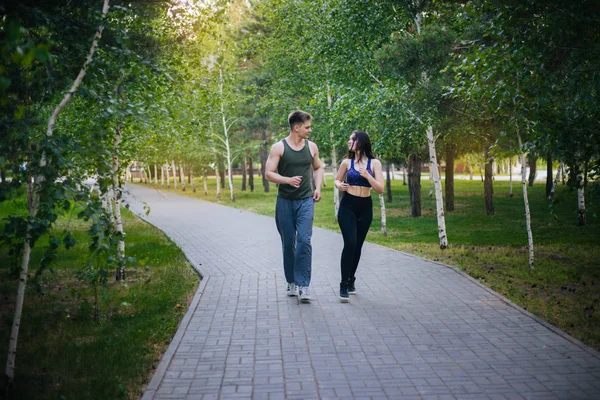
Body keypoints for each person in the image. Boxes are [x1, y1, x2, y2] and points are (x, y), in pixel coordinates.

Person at [265, 110, 324, 302]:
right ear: (296, 127)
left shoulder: (312, 147)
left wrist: (318, 187)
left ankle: (304, 286)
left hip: (306, 200)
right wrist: (287, 180)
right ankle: (291, 281)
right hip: (285, 202)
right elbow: (269, 173)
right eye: (307, 127)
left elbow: (318, 167)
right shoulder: (278, 148)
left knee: (304, 241)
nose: (310, 130)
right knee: (288, 243)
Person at [334, 130, 384, 303]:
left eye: (352, 139)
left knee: (358, 246)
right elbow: (337, 179)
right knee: (350, 243)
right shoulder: (346, 162)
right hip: (348, 205)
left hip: (365, 207)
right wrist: (339, 185)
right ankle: (343, 284)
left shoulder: (375, 163)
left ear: (360, 142)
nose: (348, 142)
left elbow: (380, 189)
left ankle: (351, 279)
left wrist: (368, 176)